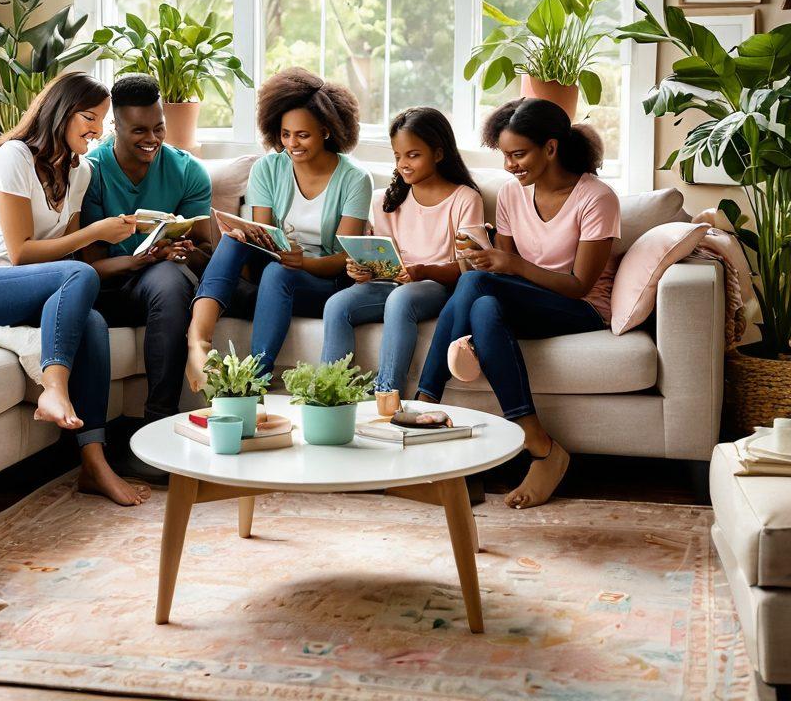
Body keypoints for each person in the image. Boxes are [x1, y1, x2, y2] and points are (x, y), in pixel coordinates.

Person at [0, 72, 148, 507]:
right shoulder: (14, 157)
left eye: (102, 120)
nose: (97, 130)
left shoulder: (81, 172)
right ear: (61, 112)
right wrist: (95, 231)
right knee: (81, 278)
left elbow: (69, 262)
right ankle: (53, 387)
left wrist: (139, 256)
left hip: (32, 290)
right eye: (89, 117)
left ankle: (94, 466)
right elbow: (20, 253)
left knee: (92, 319)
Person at [415, 98, 620, 510]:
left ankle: (421, 408)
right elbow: (499, 278)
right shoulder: (511, 195)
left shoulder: (596, 198)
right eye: (505, 155)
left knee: (477, 287)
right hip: (524, 301)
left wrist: (510, 264)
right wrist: (482, 256)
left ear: (550, 147)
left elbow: (580, 285)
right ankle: (541, 446)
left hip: (580, 308)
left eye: (518, 154)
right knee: (484, 306)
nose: (510, 165)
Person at [186, 67, 372, 390]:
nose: (291, 144)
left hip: (322, 281)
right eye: (286, 134)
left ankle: (254, 380)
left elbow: (345, 258)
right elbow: (264, 236)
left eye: (303, 135)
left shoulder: (355, 179)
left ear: (327, 131)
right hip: (272, 273)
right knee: (234, 241)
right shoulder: (268, 168)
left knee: (279, 273)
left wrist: (304, 263)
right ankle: (197, 343)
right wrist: (249, 235)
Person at [80, 74, 213, 430]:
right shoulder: (91, 172)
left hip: (162, 285)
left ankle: (158, 425)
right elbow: (90, 267)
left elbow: (206, 253)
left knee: (170, 279)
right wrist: (143, 259)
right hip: (107, 290)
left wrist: (185, 251)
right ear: (116, 126)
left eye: (159, 128)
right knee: (162, 277)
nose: (151, 139)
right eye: (139, 131)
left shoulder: (188, 171)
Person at [320, 107, 484, 394]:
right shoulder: (384, 201)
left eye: (413, 155)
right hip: (392, 284)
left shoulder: (465, 199)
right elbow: (382, 262)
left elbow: (468, 269)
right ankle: (330, 393)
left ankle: (386, 392)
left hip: (436, 286)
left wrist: (421, 271)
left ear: (439, 153)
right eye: (398, 156)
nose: (403, 164)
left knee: (401, 297)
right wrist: (362, 271)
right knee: (337, 305)